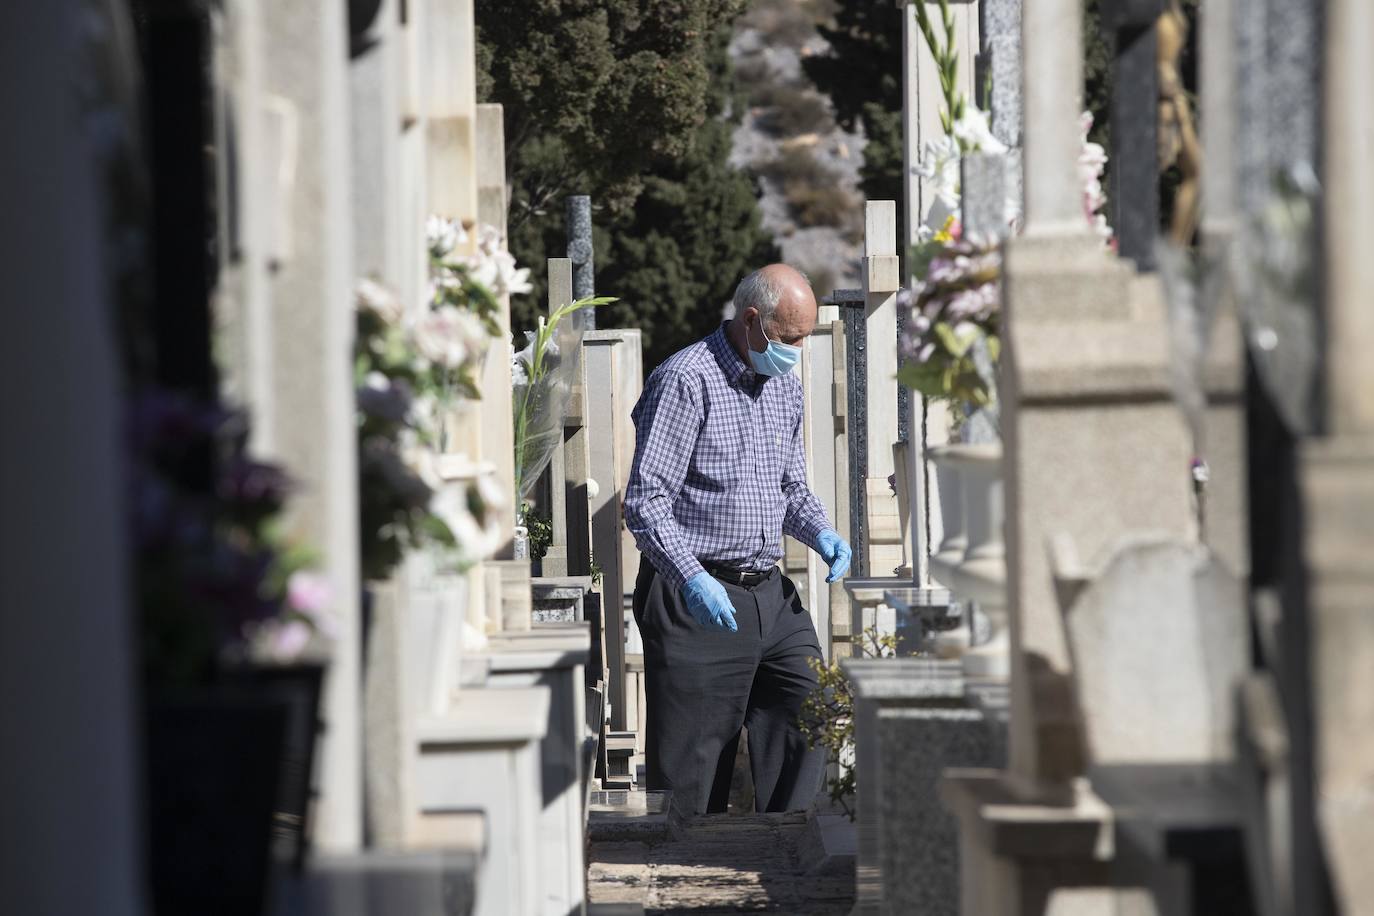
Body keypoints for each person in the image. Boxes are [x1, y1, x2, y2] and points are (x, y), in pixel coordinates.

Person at [624, 263, 852, 816]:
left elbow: (790, 488)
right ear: (753, 320)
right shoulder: (685, 380)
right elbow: (645, 501)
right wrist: (694, 578)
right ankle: (686, 879)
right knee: (693, 777)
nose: (798, 351)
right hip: (694, 593)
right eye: (791, 337)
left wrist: (821, 531)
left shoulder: (783, 388)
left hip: (770, 596)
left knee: (810, 709)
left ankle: (786, 846)